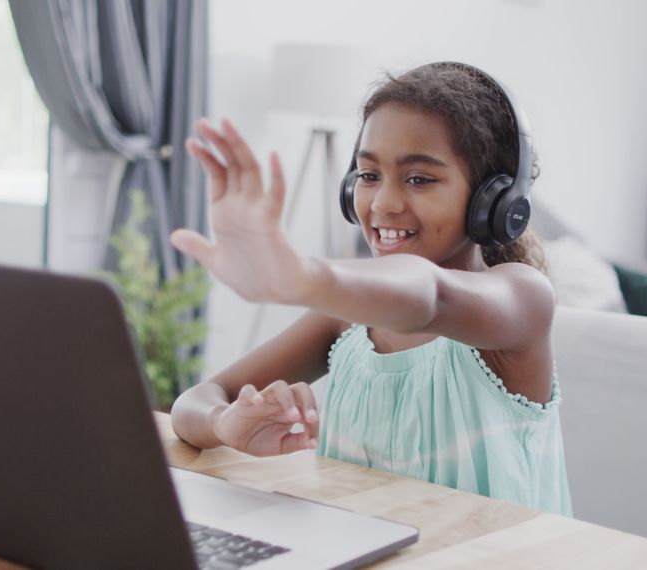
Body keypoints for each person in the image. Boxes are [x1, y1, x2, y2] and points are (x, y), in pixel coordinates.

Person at [169, 62, 571, 515]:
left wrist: (303, 277)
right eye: (368, 175)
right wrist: (226, 424)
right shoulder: (346, 319)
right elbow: (193, 403)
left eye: (419, 179)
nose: (383, 203)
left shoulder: (522, 301)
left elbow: (429, 296)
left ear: (492, 201)